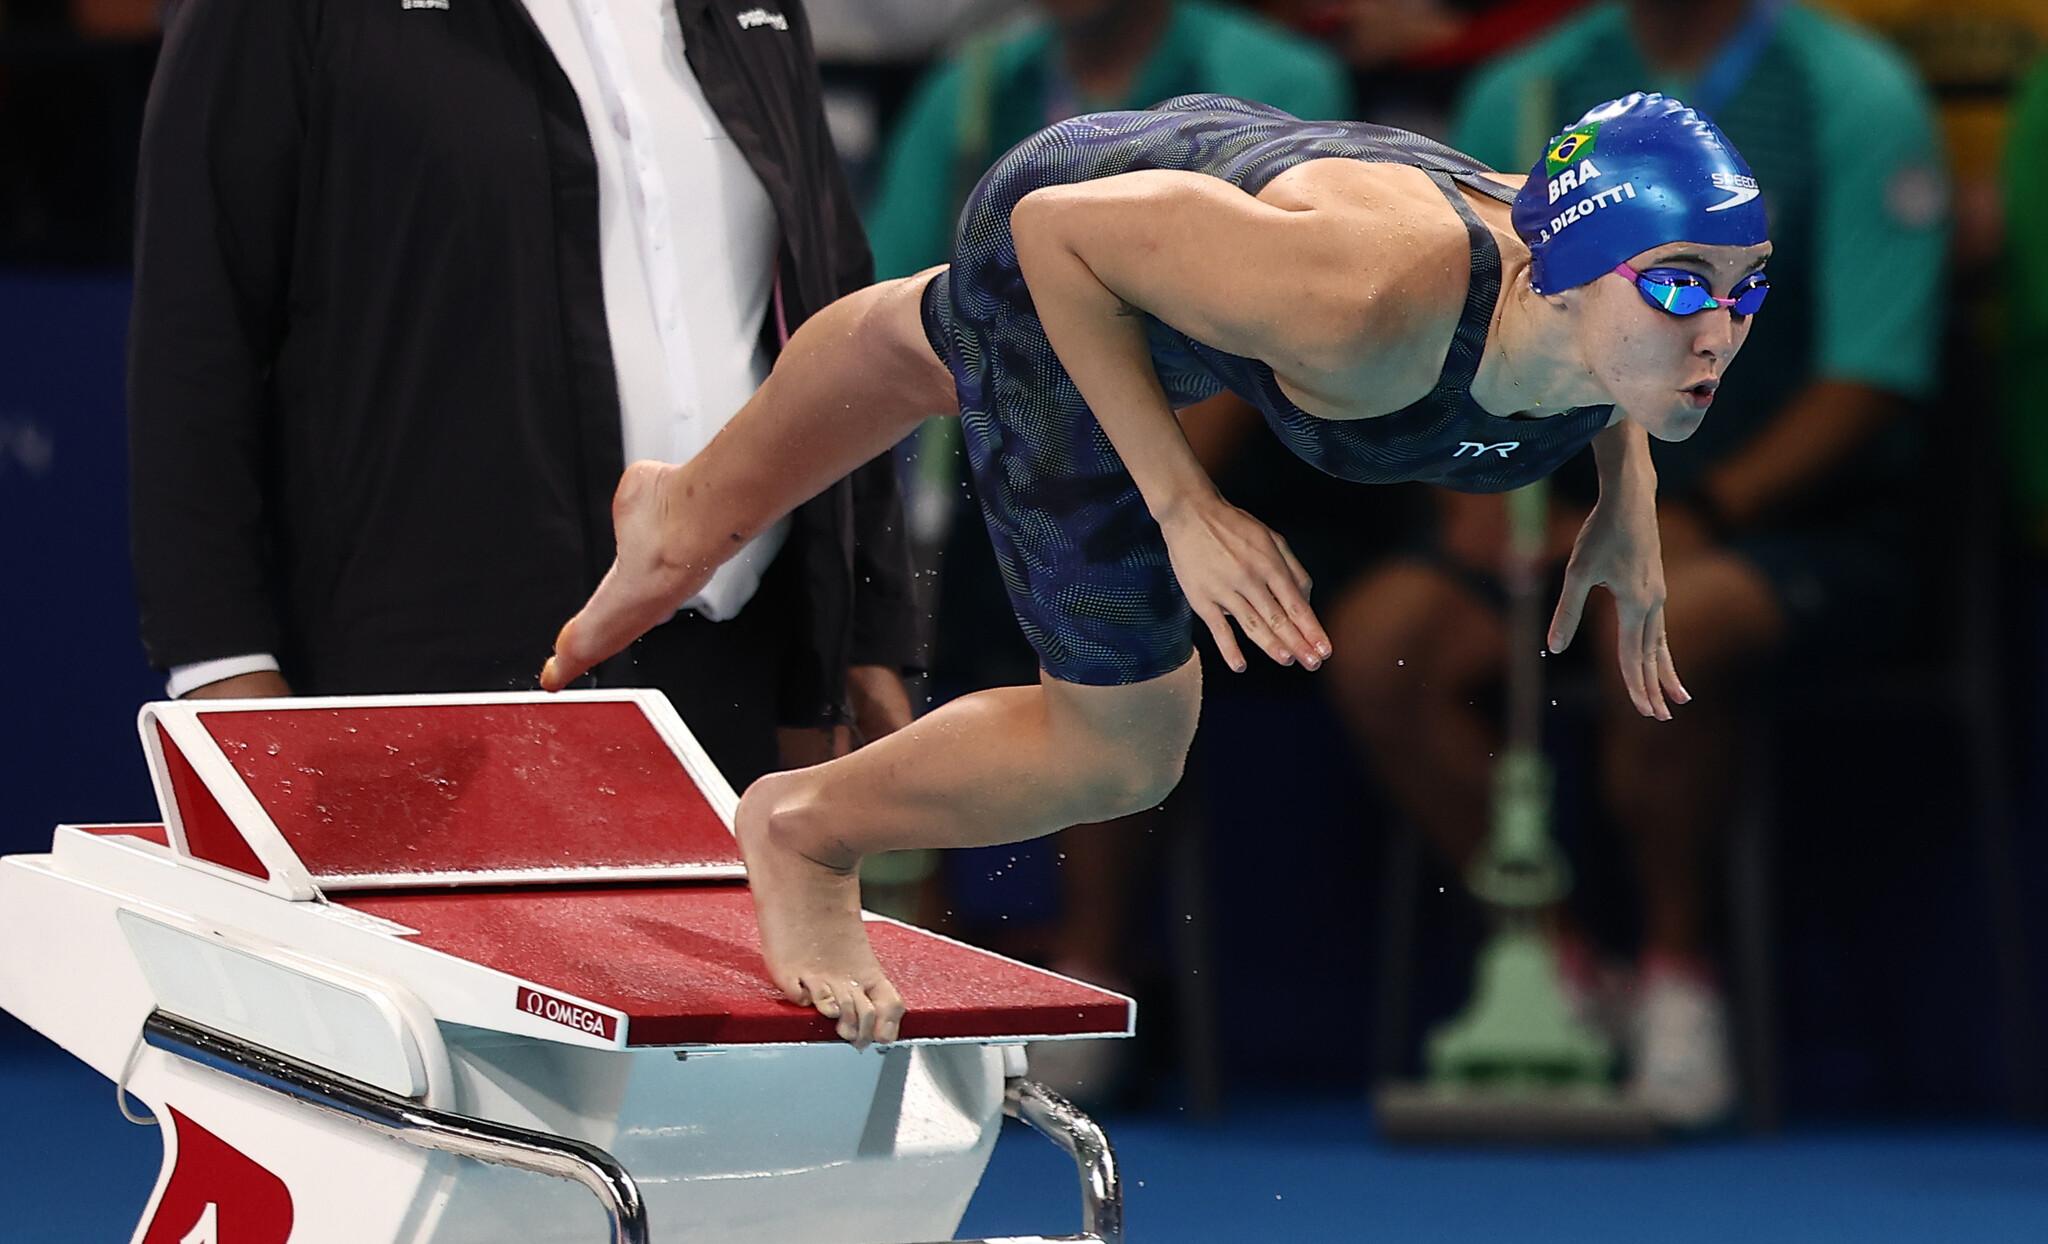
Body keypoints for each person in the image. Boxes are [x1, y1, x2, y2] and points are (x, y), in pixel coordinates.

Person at [542, 91, 1774, 1048]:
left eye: (1742, 286)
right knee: (1122, 745)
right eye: (1678, 285)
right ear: (1556, 276)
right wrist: (1182, 502)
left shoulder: (1600, 312)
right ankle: (806, 828)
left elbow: (1617, 308)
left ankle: (683, 510)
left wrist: (1629, 495)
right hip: (1080, 231)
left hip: (1213, 218)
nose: (1716, 328)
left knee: (936, 337)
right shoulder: (1361, 304)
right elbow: (1052, 236)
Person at [1331, 0, 1946, 1125]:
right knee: (1382, 647)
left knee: (1665, 620)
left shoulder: (1848, 95)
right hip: (1554, 497)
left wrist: (1695, 507)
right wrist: (1466, 484)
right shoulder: (1523, 93)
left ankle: (1674, 972)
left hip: (1788, 518)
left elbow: (1870, 374)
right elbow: (1442, 332)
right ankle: (1559, 966)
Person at [126, 0, 916, 790]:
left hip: (733, 669)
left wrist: (862, 626)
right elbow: (195, 333)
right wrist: (221, 677)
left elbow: (830, 298)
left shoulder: (759, 12)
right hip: (435, 682)